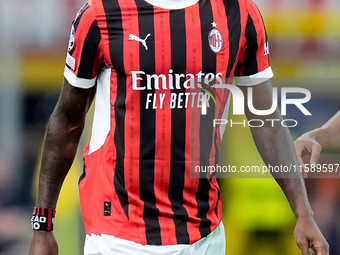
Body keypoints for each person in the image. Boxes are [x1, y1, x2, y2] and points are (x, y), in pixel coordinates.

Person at [29, 0, 329, 254]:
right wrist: (42, 224)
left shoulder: (238, 13)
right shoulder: (101, 13)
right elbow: (68, 119)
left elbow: (266, 122)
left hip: (204, 235)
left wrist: (304, 213)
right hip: (117, 235)